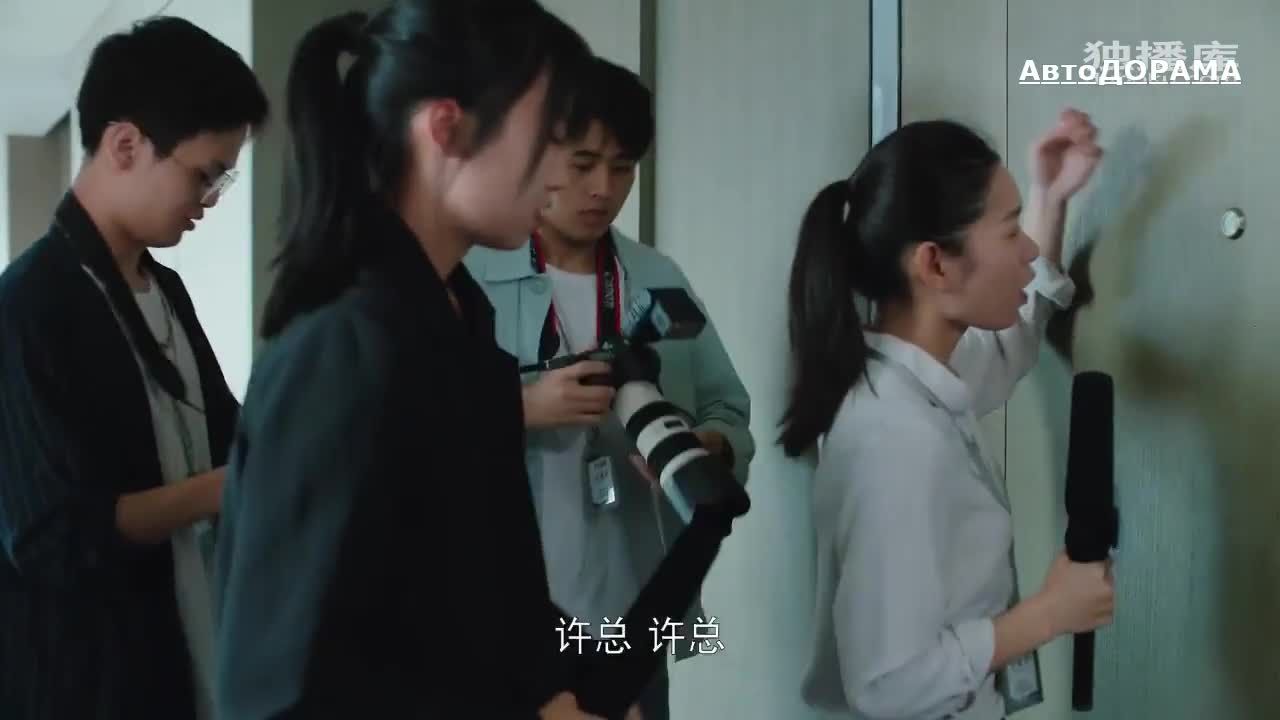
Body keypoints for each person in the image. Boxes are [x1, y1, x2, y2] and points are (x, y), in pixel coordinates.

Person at [212, 4, 736, 718]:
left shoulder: (462, 327)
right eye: (549, 139)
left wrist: (561, 691)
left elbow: (481, 601)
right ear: (447, 129)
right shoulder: (340, 352)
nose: (563, 175)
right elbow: (282, 691)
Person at [782, 110, 1116, 720]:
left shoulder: (912, 379)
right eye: (1011, 232)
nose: (1028, 251)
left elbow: (1010, 345)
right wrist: (1049, 613)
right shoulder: (893, 438)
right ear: (935, 265)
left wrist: (1050, 198)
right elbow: (887, 685)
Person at [463, 56, 754, 720]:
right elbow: (407, 428)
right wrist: (520, 410)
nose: (603, 188)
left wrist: (707, 446)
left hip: (634, 603)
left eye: (623, 168)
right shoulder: (471, 274)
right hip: (505, 613)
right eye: (583, 163)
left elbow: (727, 407)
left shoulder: (656, 277)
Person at [0, 16, 268, 720]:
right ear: (126, 145)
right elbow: (52, 538)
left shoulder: (164, 289)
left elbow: (224, 436)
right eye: (204, 175)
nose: (210, 200)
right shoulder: (26, 306)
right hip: (89, 685)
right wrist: (226, 485)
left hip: (190, 654)